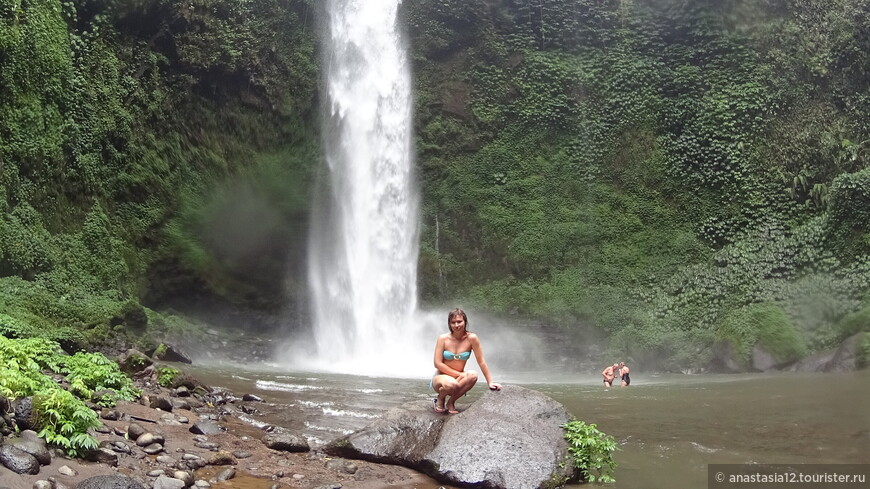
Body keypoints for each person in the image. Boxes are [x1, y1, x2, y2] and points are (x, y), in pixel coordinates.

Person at [431, 308, 501, 414]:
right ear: (449, 324)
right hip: (441, 378)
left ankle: (451, 402)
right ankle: (440, 398)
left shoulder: (472, 338)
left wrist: (490, 382)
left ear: (465, 321)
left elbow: (481, 361)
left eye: (459, 321)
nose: (456, 325)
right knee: (451, 384)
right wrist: (459, 374)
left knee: (473, 374)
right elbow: (437, 363)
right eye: (453, 322)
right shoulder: (443, 339)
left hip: (459, 379)